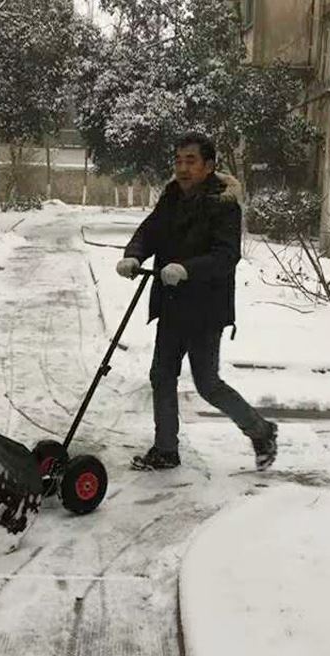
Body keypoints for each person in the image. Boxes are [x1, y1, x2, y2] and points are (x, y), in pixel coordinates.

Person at [116, 131, 278, 472]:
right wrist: (134, 256)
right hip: (172, 302)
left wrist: (186, 269)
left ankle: (261, 431)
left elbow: (226, 255)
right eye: (178, 161)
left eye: (190, 161)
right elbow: (150, 230)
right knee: (161, 375)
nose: (183, 168)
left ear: (209, 165)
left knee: (207, 384)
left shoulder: (223, 203)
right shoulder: (172, 195)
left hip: (205, 308)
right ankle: (166, 449)